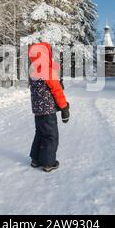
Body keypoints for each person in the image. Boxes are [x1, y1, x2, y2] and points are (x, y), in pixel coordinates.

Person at [28, 43, 70, 173]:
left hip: (38, 111)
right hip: (48, 111)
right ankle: (49, 163)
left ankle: (35, 159)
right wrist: (64, 108)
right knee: (51, 136)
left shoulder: (33, 70)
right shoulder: (47, 70)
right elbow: (57, 91)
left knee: (40, 133)